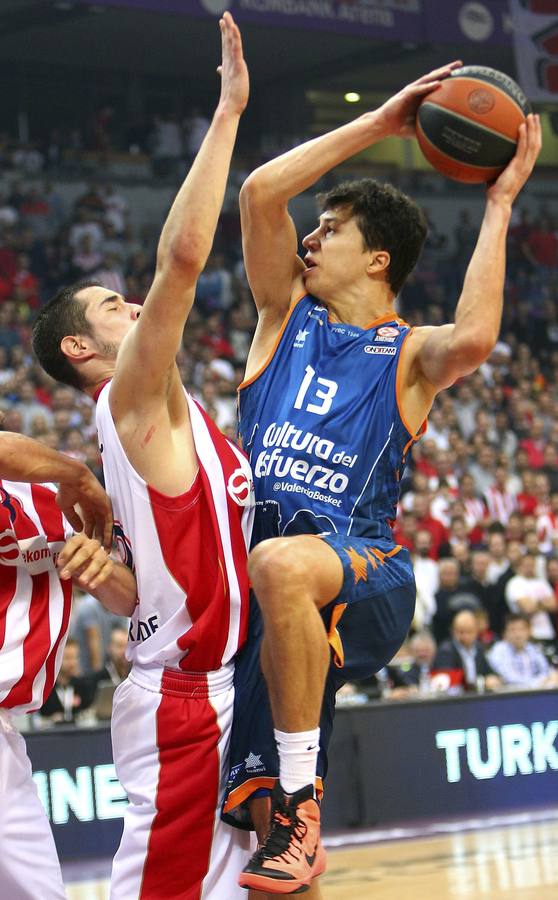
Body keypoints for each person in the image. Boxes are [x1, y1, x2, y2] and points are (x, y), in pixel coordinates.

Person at [223, 61, 541, 895]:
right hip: (273, 614)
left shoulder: (407, 353)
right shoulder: (281, 320)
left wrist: (500, 202)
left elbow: (474, 336)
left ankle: (298, 798)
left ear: (379, 260)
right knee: (273, 864)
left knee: (283, 563)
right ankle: (289, 815)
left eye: (331, 229)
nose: (310, 239)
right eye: (315, 226)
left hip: (365, 570)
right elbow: (259, 192)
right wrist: (382, 122)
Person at [32, 14, 255, 900]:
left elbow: (145, 590)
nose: (135, 308)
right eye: (114, 306)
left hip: (227, 681)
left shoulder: (165, 417)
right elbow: (186, 255)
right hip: (187, 699)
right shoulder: (128, 400)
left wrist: (111, 576)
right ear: (83, 352)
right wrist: (231, 110)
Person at [0, 430, 136, 900]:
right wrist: (79, 472)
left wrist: (97, 563)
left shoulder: (53, 498)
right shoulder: (66, 477)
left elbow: (127, 600)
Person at [432, 609, 501, 692]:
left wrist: (493, 678)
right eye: (461, 632)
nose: (465, 637)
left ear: (476, 631)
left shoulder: (478, 649)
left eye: (469, 632)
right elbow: (447, 681)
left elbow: (490, 672)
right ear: (453, 631)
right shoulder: (446, 651)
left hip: (477, 698)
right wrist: (482, 682)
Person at [488, 613, 558, 688]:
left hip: (536, 691)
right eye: (513, 630)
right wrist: (541, 682)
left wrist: (551, 677)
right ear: (505, 633)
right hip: (512, 695)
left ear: (529, 631)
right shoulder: (499, 650)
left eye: (522, 629)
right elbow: (510, 679)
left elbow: (546, 670)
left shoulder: (533, 648)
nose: (518, 634)